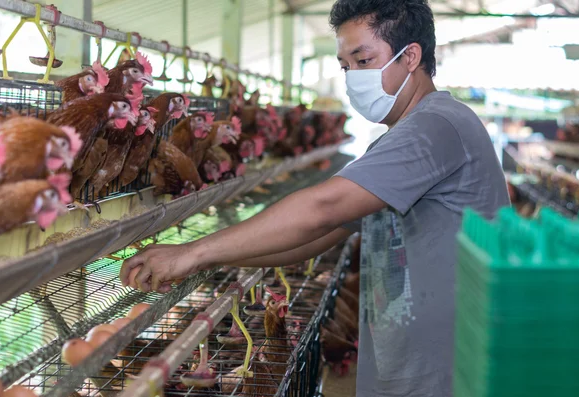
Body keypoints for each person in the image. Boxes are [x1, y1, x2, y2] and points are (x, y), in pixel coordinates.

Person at [120, 0, 510, 395]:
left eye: (363, 60)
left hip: (445, 370)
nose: (352, 77)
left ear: (410, 57)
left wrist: (194, 252)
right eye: (345, 65)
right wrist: (205, 258)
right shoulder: (401, 137)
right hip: (412, 360)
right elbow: (313, 239)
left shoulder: (435, 126)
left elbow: (323, 210)